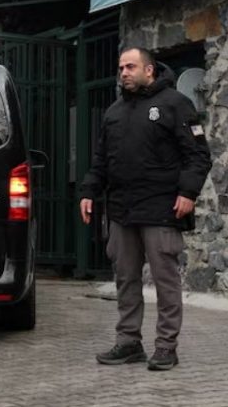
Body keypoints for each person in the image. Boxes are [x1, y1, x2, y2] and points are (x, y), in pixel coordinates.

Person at [79, 48, 212, 371]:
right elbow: (101, 160)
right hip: (122, 210)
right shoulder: (114, 111)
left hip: (162, 208)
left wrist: (188, 192)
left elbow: (198, 155)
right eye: (121, 67)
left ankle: (166, 346)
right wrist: (89, 191)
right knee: (125, 279)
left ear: (149, 70)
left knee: (165, 281)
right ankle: (128, 342)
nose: (123, 72)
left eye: (130, 67)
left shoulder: (175, 104)